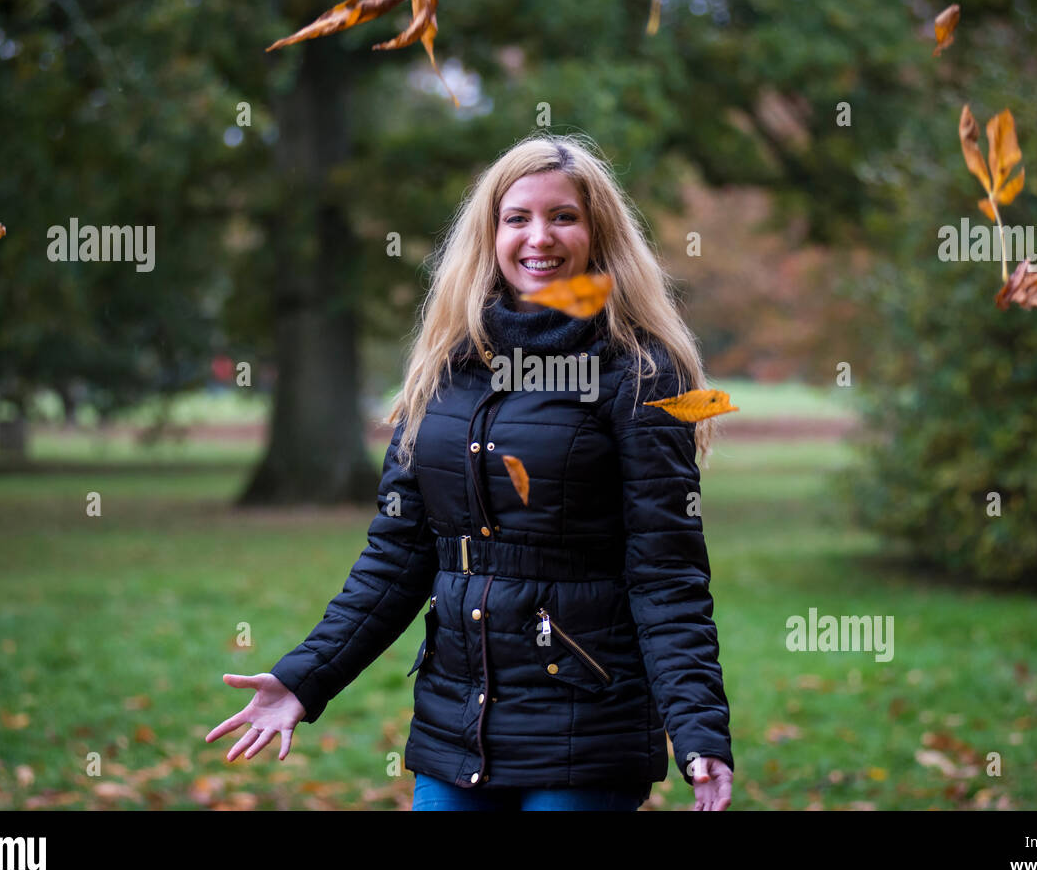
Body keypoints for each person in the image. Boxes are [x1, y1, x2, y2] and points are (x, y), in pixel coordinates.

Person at [207, 131, 734, 811]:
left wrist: (698, 730)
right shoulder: (446, 367)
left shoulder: (637, 372)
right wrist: (306, 679)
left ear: (598, 234)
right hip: (458, 729)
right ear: (491, 233)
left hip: (586, 732)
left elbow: (667, 573)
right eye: (517, 218)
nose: (538, 237)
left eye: (563, 216)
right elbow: (397, 556)